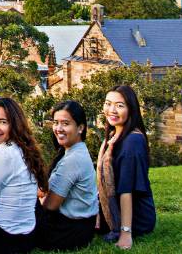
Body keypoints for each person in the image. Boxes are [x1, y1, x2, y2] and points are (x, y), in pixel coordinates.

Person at [0, 98, 48, 254]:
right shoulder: (24, 148)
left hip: (3, 239)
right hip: (27, 236)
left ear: (14, 125)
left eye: (2, 122)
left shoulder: (3, 153)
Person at [97, 85, 156, 250]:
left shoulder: (132, 141)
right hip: (117, 209)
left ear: (131, 109)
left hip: (136, 218)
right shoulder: (114, 136)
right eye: (108, 104)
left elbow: (126, 189)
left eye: (119, 105)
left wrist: (125, 233)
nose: (112, 110)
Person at [37, 101, 98, 251]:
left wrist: (37, 196)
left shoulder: (72, 160)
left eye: (65, 123)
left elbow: (50, 205)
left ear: (80, 128)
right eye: (56, 123)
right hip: (82, 226)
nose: (58, 129)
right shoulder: (74, 151)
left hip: (70, 230)